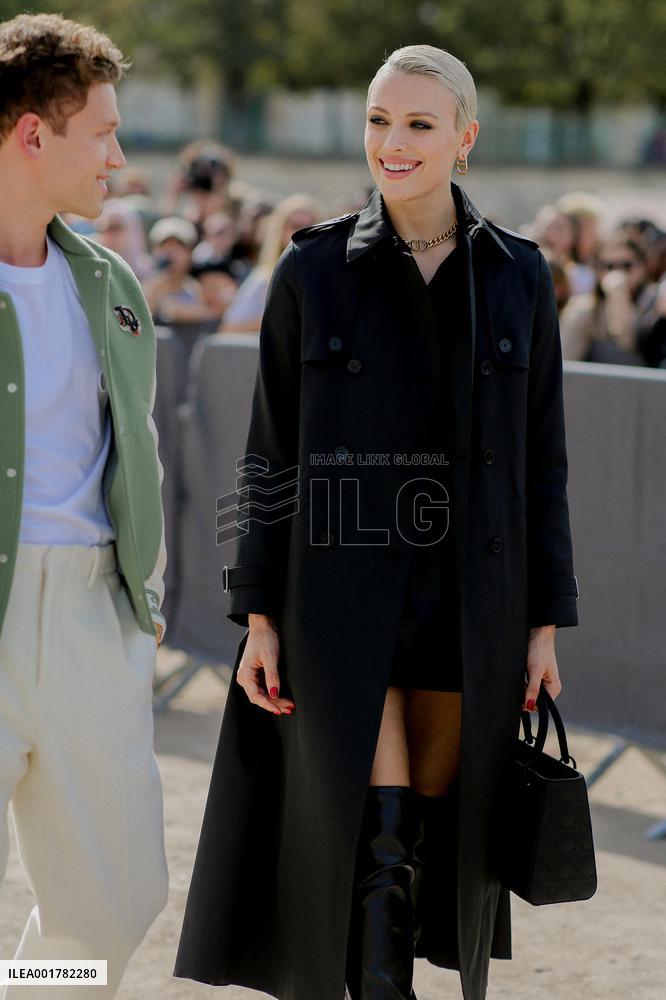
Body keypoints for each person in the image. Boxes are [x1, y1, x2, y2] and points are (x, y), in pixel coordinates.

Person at [174, 44, 579, 1000]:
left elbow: (544, 466)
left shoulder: (519, 275)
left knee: (430, 833)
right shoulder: (313, 267)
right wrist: (257, 613)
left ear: (465, 138)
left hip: (469, 602)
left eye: (418, 124)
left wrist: (545, 623)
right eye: (378, 120)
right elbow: (269, 453)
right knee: (378, 835)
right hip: (338, 597)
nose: (391, 143)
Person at [0, 13, 168, 998]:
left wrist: (139, 600)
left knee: (111, 903)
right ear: (33, 134)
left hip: (91, 616)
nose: (118, 157)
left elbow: (131, 451)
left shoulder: (110, 282)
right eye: (102, 132)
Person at [221, 193, 319, 333]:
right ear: (281, 230)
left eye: (309, 227)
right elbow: (229, 326)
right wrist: (279, 321)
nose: (302, 233)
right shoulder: (264, 277)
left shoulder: (324, 278)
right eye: (295, 226)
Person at [560, 232, 657, 364]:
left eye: (627, 265)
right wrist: (616, 292)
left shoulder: (654, 306)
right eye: (609, 266)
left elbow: (628, 341)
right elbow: (566, 359)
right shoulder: (584, 309)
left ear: (642, 267)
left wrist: (619, 295)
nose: (618, 272)